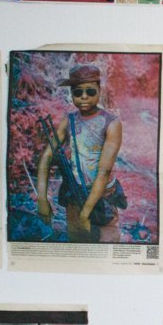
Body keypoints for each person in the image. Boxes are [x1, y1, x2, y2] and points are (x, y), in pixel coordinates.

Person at [36, 64, 125, 243]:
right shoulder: (68, 122)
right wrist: (42, 200)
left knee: (106, 245)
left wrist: (86, 213)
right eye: (77, 92)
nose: (84, 97)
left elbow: (104, 171)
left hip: (102, 199)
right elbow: (46, 157)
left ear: (99, 90)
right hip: (75, 197)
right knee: (77, 244)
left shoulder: (112, 123)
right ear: (71, 94)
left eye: (90, 92)